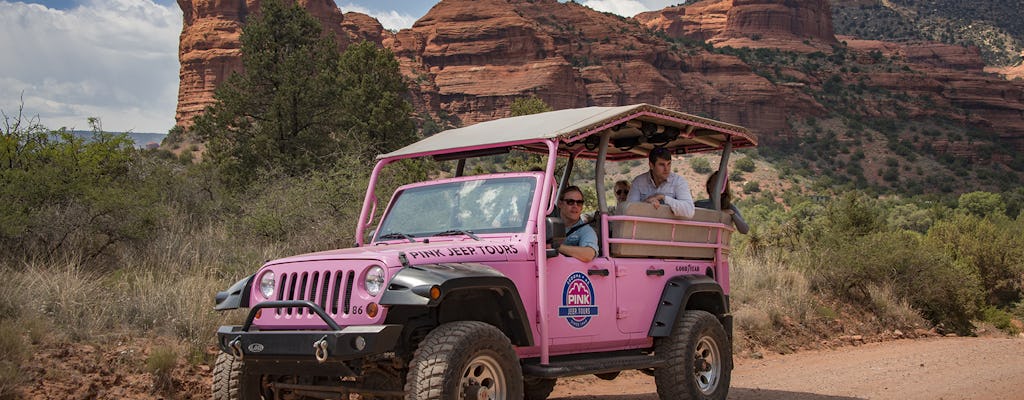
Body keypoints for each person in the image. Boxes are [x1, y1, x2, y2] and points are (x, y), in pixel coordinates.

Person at [626, 147, 695, 218]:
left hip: (671, 228)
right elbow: (629, 211)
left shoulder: (678, 181)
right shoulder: (638, 182)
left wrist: (664, 198)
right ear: (651, 165)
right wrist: (646, 203)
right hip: (645, 227)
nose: (666, 169)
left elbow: (689, 211)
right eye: (662, 165)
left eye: (669, 164)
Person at [556, 186, 598, 262]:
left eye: (579, 203)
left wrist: (556, 247)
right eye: (570, 202)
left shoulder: (586, 231)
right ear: (560, 204)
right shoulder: (547, 225)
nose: (575, 206)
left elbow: (589, 254)